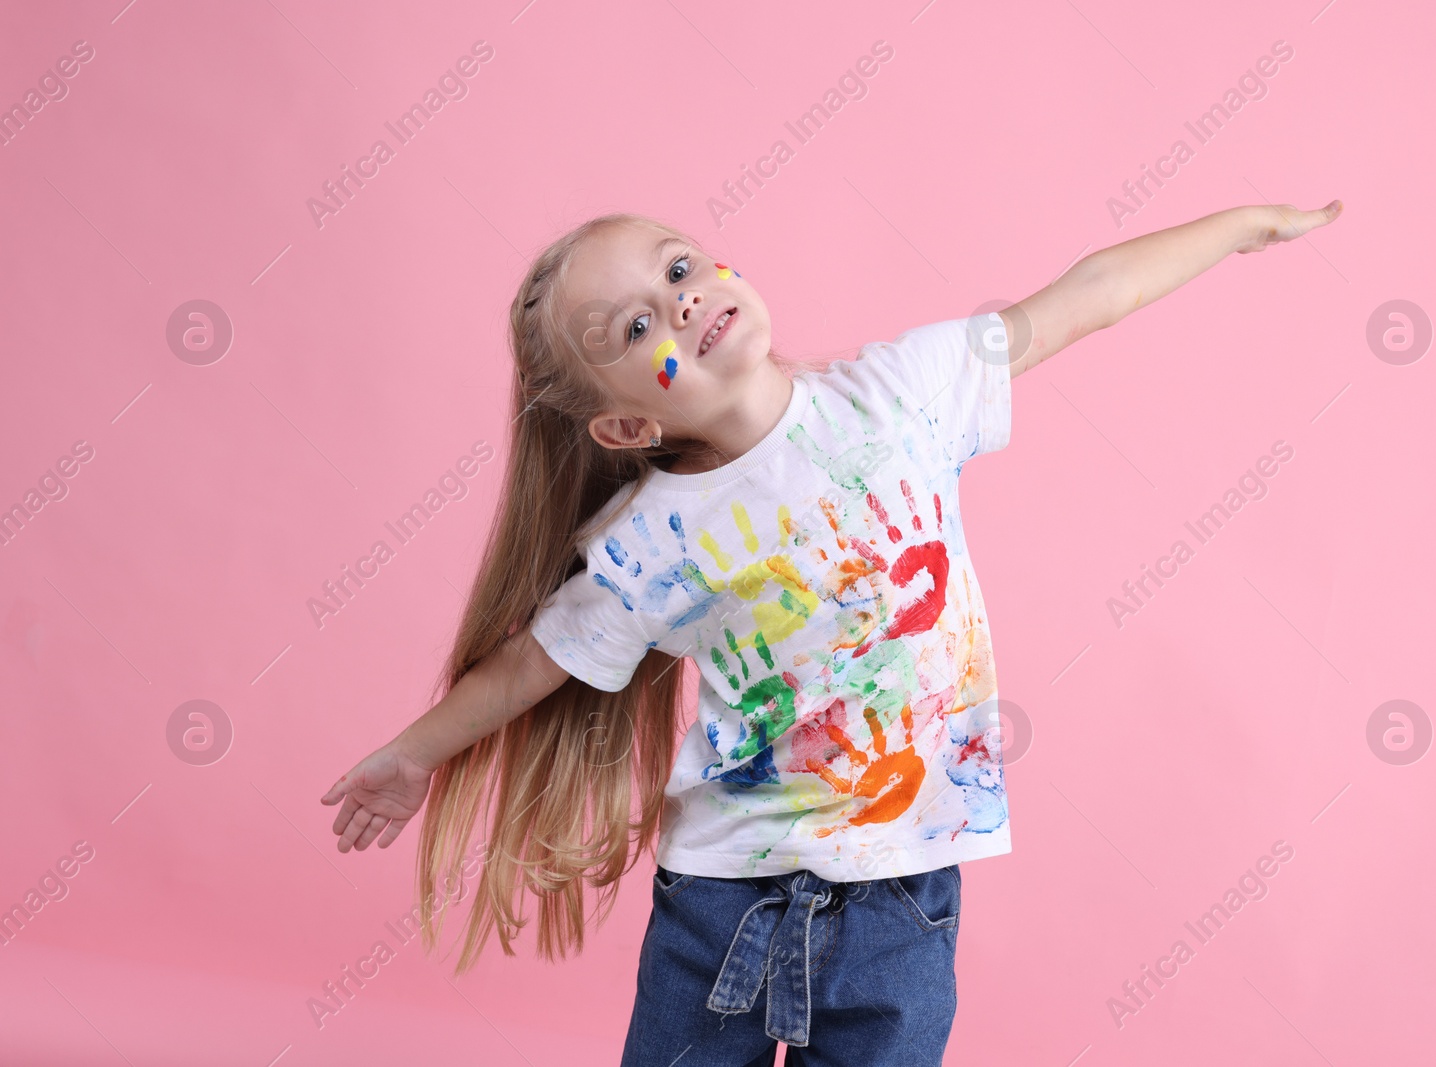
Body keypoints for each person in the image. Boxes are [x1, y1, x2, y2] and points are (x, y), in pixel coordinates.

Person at [320, 200, 1343, 1064]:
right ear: (627, 426)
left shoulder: (905, 392)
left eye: (677, 267)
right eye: (634, 329)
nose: (677, 301)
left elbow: (1085, 295)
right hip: (720, 902)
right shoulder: (650, 540)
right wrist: (411, 756)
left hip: (903, 892)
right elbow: (531, 664)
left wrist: (1240, 226)